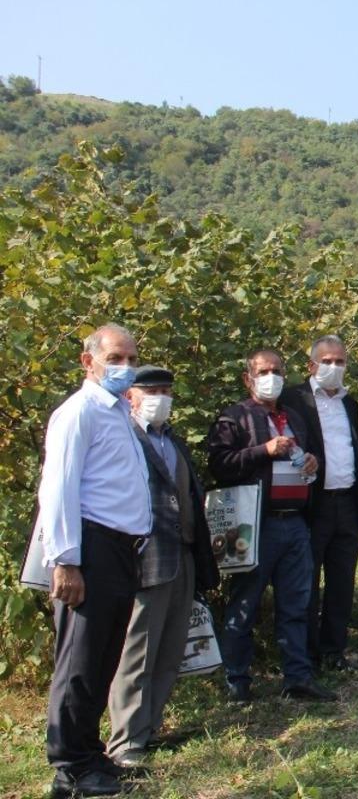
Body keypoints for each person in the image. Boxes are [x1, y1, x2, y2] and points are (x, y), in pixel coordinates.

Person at [38, 324, 152, 797]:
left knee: (104, 657)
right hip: (91, 546)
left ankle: (90, 754)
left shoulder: (118, 412)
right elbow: (59, 487)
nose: (125, 367)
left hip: (122, 548)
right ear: (89, 362)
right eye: (115, 358)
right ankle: (69, 767)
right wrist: (66, 560)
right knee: (80, 660)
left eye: (131, 359)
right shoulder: (79, 412)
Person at [107, 366, 219, 769]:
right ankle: (125, 741)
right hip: (146, 558)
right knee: (138, 651)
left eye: (166, 391)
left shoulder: (172, 440)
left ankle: (149, 729)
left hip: (183, 554)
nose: (161, 398)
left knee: (170, 650)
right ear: (131, 396)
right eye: (151, 390)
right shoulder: (124, 437)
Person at [208, 349, 333, 702]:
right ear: (248, 378)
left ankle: (297, 677)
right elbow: (220, 464)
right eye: (263, 371)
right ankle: (237, 681)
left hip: (294, 523)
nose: (271, 377)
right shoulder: (234, 417)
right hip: (254, 524)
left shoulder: (294, 416)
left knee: (297, 604)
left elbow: (310, 456)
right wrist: (263, 450)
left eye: (277, 371)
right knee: (245, 604)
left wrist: (313, 461)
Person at [280, 335, 358, 673]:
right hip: (313, 504)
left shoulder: (350, 403)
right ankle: (307, 655)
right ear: (311, 365)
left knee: (342, 581)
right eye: (327, 361)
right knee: (307, 581)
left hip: (346, 501)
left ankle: (334, 649)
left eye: (340, 362)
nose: (334, 367)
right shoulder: (293, 399)